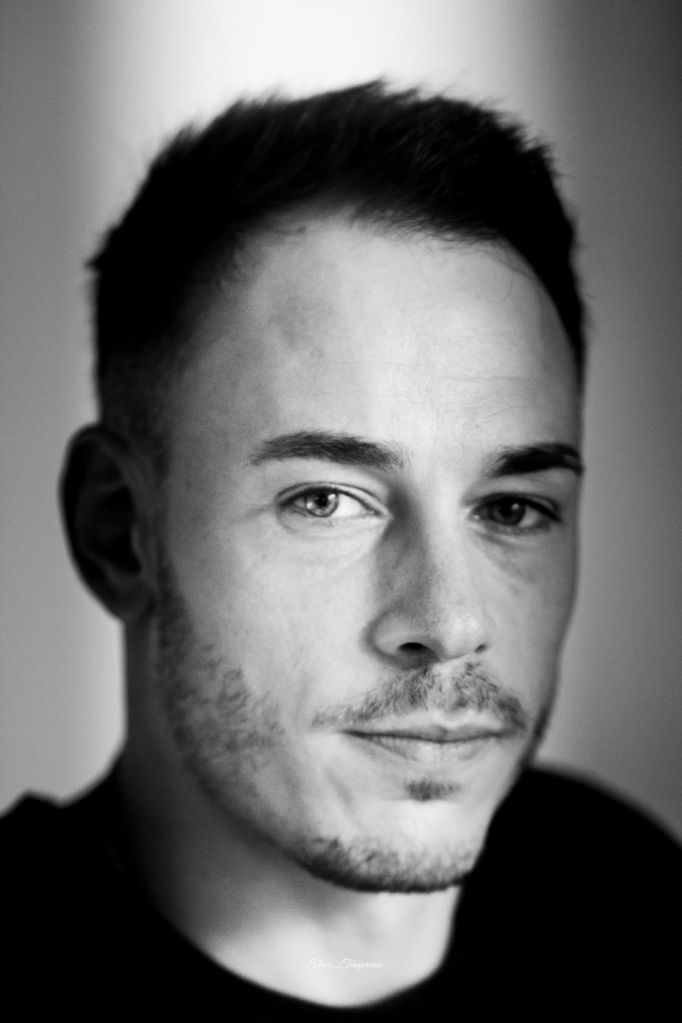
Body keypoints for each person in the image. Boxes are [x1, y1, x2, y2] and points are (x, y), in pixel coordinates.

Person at [2, 81, 679, 1016]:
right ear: (119, 530)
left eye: (512, 508)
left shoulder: (629, 899)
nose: (451, 623)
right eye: (325, 501)